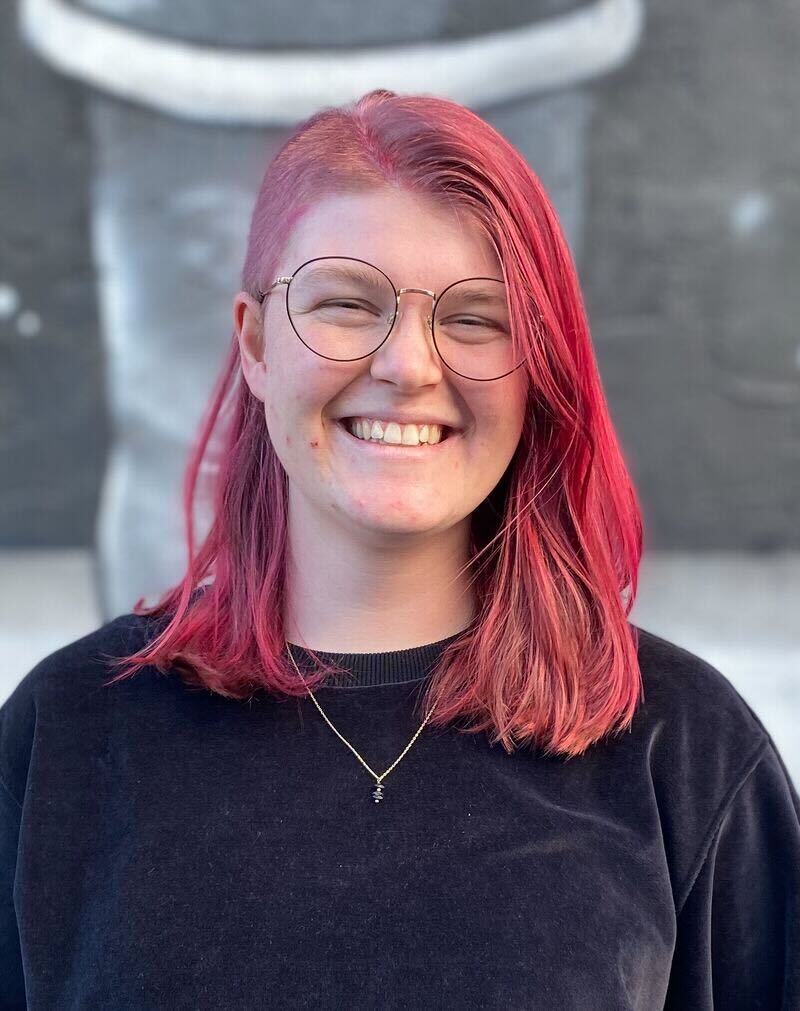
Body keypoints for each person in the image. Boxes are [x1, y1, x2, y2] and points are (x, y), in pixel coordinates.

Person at [1, 89, 798, 1009]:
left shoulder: (685, 754)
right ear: (255, 345)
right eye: (346, 303)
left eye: (474, 318)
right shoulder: (66, 737)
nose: (409, 366)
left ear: (539, 365)